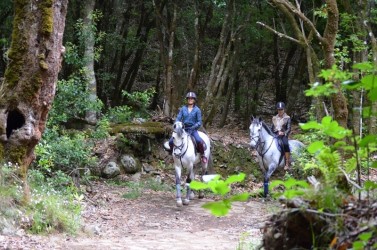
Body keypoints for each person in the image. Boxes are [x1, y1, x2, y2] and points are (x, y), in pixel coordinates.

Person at [169, 92, 207, 163]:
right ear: (187, 100)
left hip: (193, 129)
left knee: (199, 141)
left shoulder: (197, 110)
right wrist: (177, 124)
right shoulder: (183, 109)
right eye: (189, 98)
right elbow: (178, 118)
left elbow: (199, 122)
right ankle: (172, 155)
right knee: (171, 141)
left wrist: (194, 127)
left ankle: (203, 155)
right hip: (183, 129)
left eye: (191, 99)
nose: (190, 100)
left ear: (194, 100)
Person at [271, 102, 291, 170]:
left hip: (283, 135)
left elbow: (289, 128)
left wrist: (284, 133)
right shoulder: (274, 118)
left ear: (283, 110)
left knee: (285, 144)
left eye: (281, 109)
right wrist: (275, 132)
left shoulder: (287, 118)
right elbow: (272, 128)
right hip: (276, 134)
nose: (280, 111)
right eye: (279, 109)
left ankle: (287, 163)